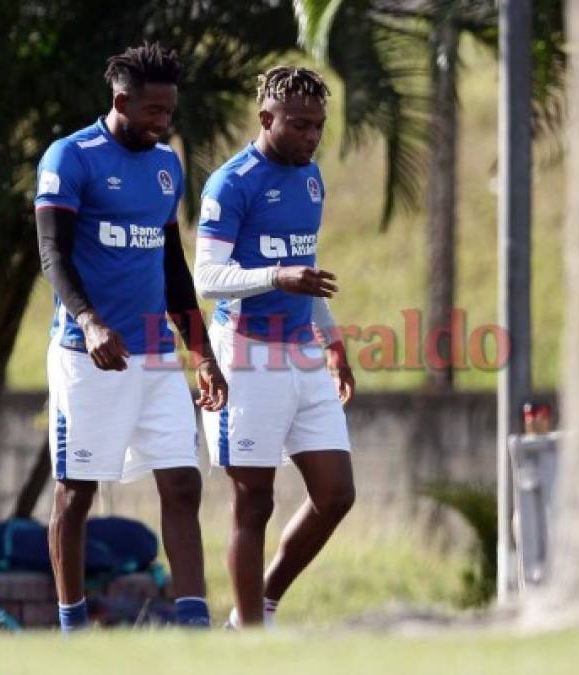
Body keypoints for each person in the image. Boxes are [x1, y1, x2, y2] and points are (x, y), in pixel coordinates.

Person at [34, 42, 227, 631]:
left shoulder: (166, 166)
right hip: (87, 356)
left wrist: (201, 352)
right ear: (121, 100)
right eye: (153, 112)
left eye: (169, 112)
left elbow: (172, 269)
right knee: (77, 493)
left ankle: (194, 626)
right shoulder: (70, 158)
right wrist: (90, 321)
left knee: (182, 481)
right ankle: (72, 629)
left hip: (155, 357)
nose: (163, 122)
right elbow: (52, 255)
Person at [193, 66, 356, 628]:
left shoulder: (311, 179)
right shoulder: (231, 183)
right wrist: (275, 277)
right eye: (300, 125)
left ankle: (258, 604)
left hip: (302, 354)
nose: (312, 137)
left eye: (318, 126)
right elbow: (208, 278)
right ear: (267, 119)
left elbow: (304, 274)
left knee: (336, 493)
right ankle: (250, 635)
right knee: (254, 503)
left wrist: (333, 340)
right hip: (244, 353)